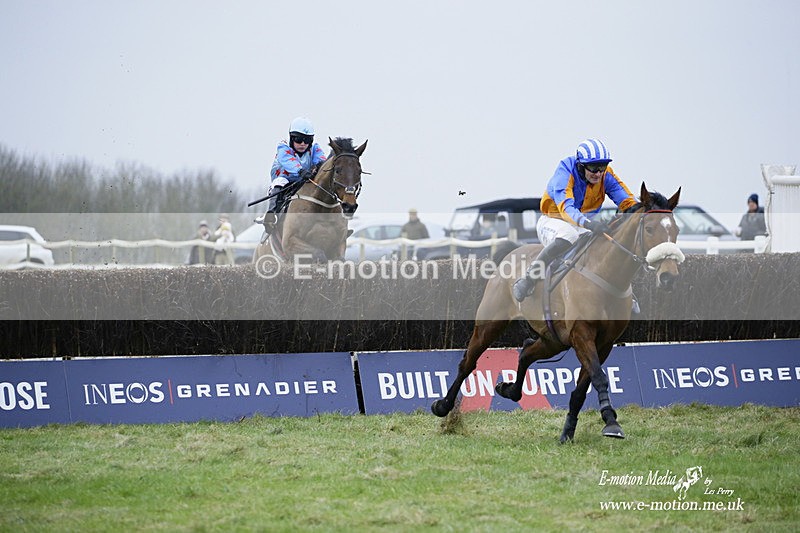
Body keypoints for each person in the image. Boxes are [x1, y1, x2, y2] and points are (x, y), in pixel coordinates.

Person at [512, 138, 637, 302]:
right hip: (554, 220)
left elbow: (626, 200)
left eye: (602, 167)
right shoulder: (565, 172)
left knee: (603, 246)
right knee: (568, 234)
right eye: (593, 167)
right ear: (580, 165)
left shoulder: (606, 175)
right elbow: (566, 208)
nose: (598, 173)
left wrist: (641, 211)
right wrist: (589, 224)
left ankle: (627, 296)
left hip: (581, 223)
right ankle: (529, 279)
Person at [260, 117, 328, 232]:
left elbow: (321, 160)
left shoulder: (315, 148)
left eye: (307, 140)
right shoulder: (283, 146)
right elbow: (287, 160)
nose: (303, 144)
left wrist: (319, 169)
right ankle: (272, 214)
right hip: (285, 176)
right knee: (279, 182)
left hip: (305, 178)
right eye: (298, 139)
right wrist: (300, 171)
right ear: (291, 138)